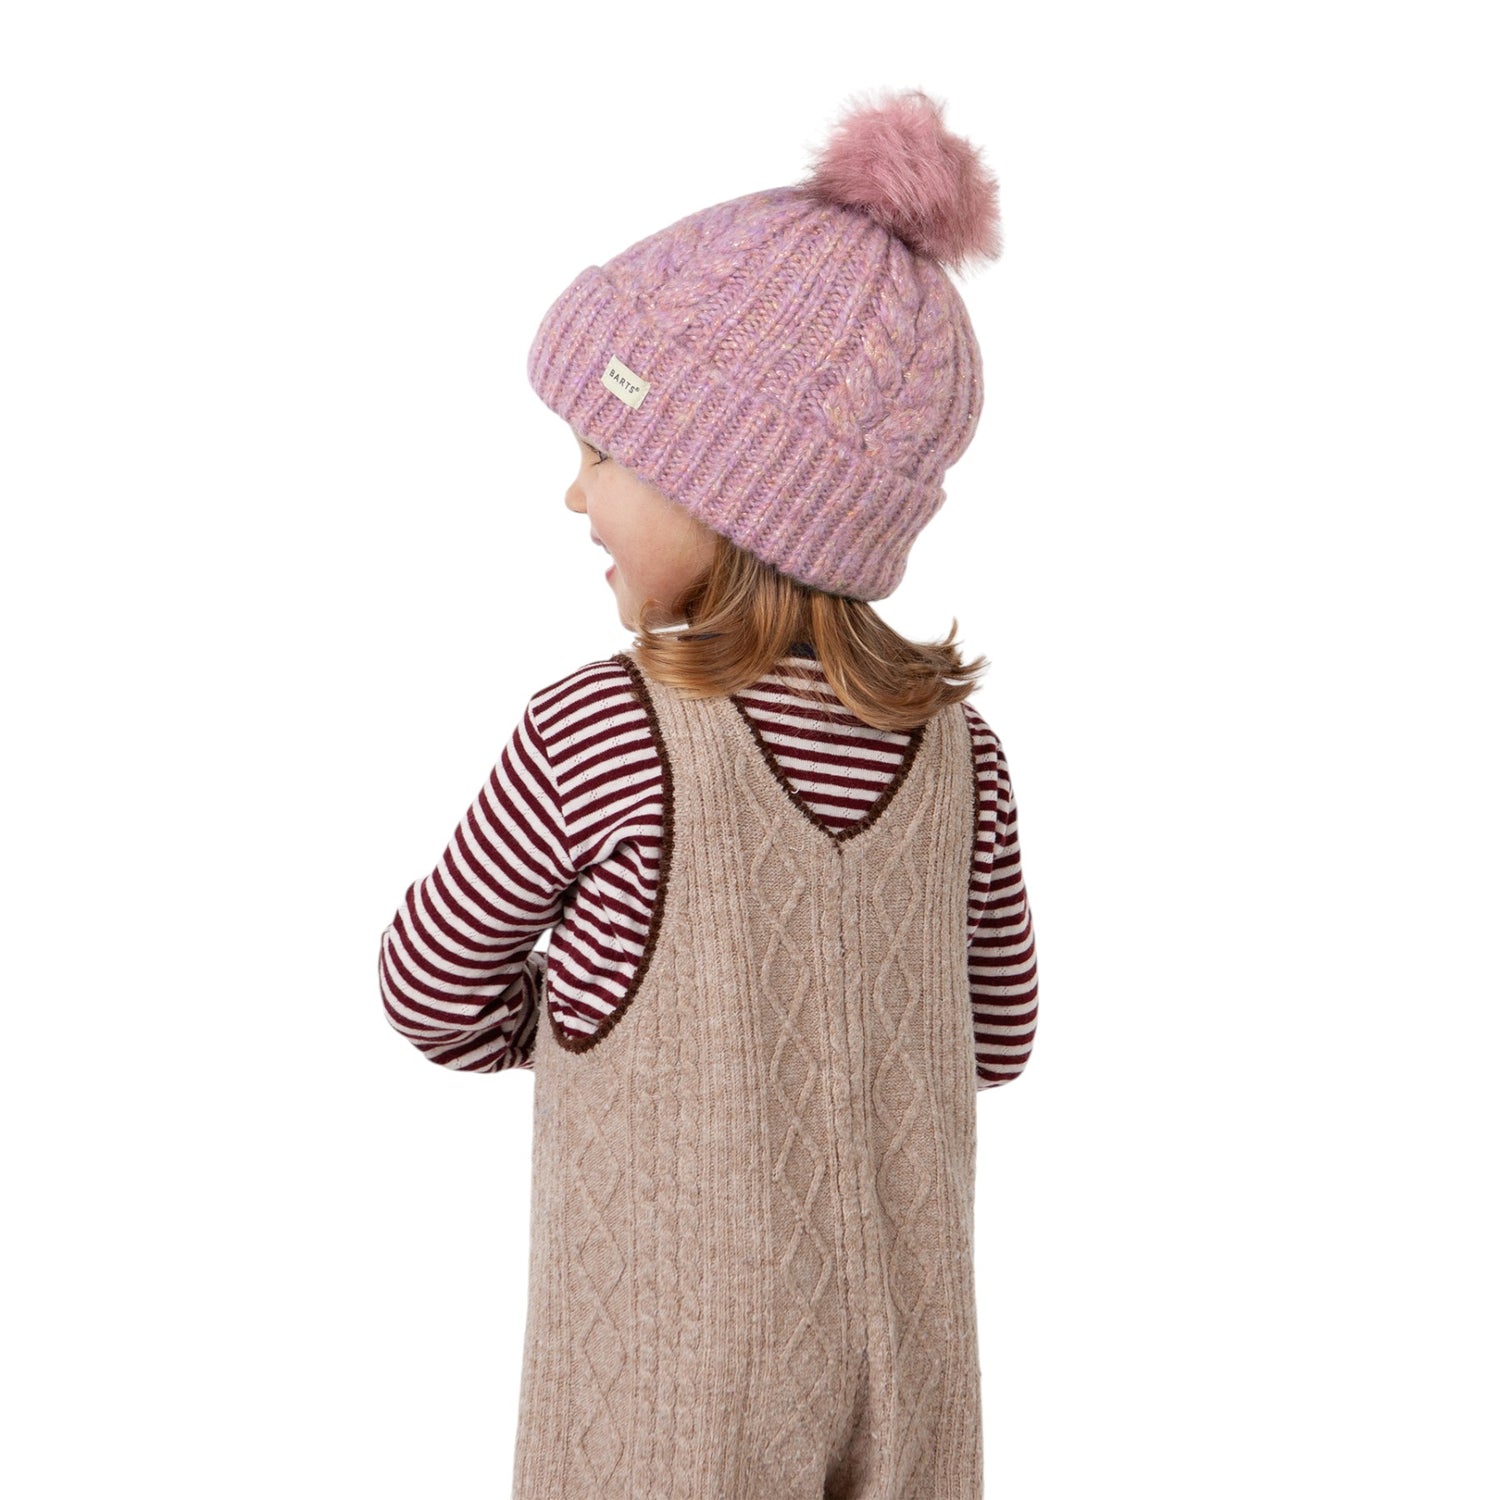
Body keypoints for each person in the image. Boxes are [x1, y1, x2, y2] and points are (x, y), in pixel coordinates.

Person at [378, 87, 1040, 1499]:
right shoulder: (960, 756)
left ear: (730, 490)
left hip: (671, 1396)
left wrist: (596, 1026)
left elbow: (428, 987)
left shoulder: (604, 729)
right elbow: (997, 1038)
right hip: (917, 1383)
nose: (576, 496)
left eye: (605, 455)